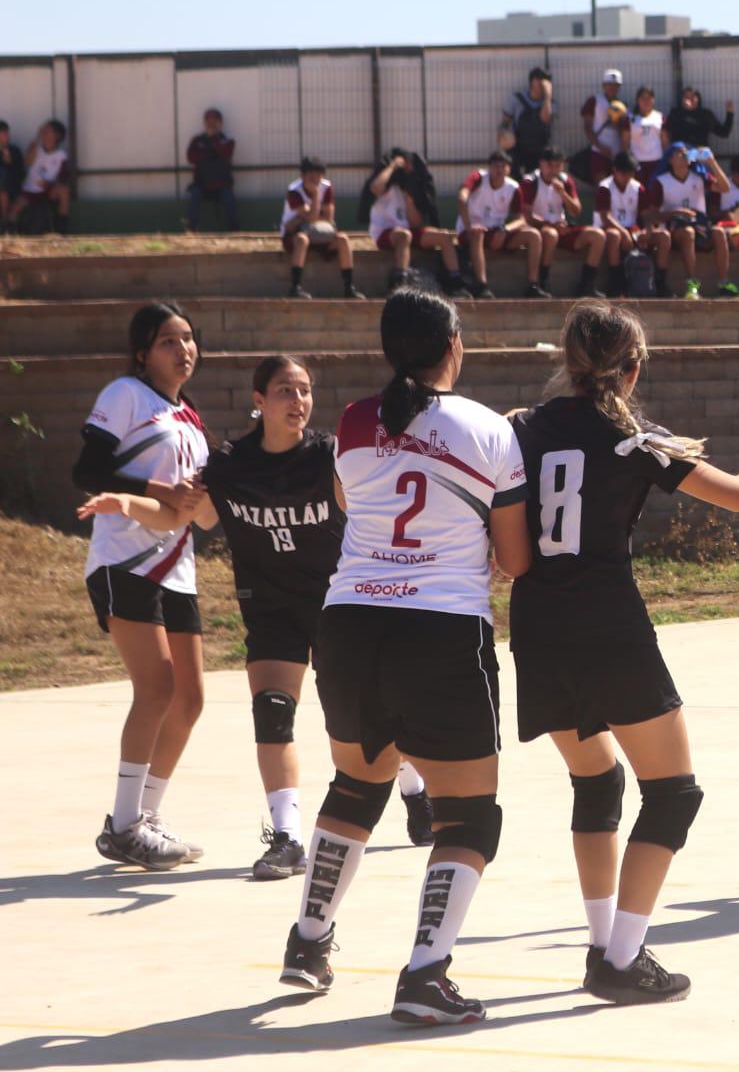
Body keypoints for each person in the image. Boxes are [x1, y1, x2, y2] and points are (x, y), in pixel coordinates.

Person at [510, 301, 739, 1004]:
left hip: (538, 625)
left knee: (597, 781)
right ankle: (620, 958)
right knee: (673, 794)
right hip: (607, 624)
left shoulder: (519, 428)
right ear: (633, 368)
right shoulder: (636, 437)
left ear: (568, 360)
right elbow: (738, 495)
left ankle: (600, 945)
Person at [276, 289, 533, 1026]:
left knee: (357, 787)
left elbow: (354, 504)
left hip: (350, 622)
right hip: (441, 627)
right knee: (469, 818)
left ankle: (308, 940)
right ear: (452, 343)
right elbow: (514, 560)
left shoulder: (354, 421)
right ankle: (425, 974)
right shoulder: (489, 429)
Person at [79, 356, 438, 878]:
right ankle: (288, 837)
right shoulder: (230, 466)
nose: (298, 400)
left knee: (372, 713)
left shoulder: (327, 457)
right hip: (270, 608)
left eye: (305, 391)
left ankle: (415, 790)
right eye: (285, 390)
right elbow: (185, 516)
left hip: (337, 600)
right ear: (259, 401)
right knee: (273, 713)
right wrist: (128, 503)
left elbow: (374, 508)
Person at [72, 302, 212, 871]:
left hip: (178, 569)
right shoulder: (125, 395)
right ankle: (123, 824)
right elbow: (87, 470)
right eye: (168, 341)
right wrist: (154, 486)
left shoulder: (193, 419)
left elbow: (194, 503)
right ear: (141, 353)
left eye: (188, 339)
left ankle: (145, 819)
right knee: (156, 688)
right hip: (124, 562)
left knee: (191, 698)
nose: (183, 349)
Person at [647, 143, 739, 301]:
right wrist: (676, 212)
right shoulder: (661, 181)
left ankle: (724, 284)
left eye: (686, 153)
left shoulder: (699, 177)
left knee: (719, 232)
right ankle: (692, 284)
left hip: (700, 224)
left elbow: (725, 188)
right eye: (679, 153)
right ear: (670, 159)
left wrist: (711, 162)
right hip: (676, 227)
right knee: (688, 233)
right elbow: (654, 214)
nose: (684, 156)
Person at [366, 152, 466, 295]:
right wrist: (393, 165)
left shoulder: (412, 189)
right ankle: (398, 282)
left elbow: (415, 223)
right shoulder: (388, 187)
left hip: (407, 233)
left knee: (444, 236)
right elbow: (375, 187)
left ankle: (455, 282)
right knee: (404, 235)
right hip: (385, 232)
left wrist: (409, 200)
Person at [521, 147, 608, 299]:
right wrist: (549, 224)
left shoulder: (565, 181)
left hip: (562, 229)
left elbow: (576, 210)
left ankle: (587, 285)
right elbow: (527, 216)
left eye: (558, 165)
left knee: (598, 235)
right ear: (542, 164)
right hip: (541, 230)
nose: (554, 170)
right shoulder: (530, 182)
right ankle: (543, 281)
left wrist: (563, 193)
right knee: (550, 234)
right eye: (550, 165)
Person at [456, 150, 540, 299]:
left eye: (503, 166)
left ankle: (533, 285)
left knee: (534, 235)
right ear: (489, 167)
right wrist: (469, 226)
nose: (499, 170)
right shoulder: (478, 178)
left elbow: (521, 219)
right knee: (478, 233)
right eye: (496, 166)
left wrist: (505, 230)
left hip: (497, 232)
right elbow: (462, 197)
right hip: (472, 230)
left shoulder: (513, 187)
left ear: (508, 168)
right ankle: (482, 286)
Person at [282, 157, 362, 301]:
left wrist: (302, 218)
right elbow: (312, 218)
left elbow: (329, 217)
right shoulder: (294, 190)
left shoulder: (327, 186)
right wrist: (316, 196)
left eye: (319, 174)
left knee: (343, 239)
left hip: (319, 233)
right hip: (294, 235)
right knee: (302, 239)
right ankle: (295, 287)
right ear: (302, 175)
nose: (315, 178)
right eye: (311, 175)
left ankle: (349, 288)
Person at [593, 152, 668, 297]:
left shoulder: (638, 188)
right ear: (615, 170)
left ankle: (660, 283)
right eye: (624, 172)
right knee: (614, 236)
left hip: (632, 230)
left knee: (664, 236)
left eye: (630, 172)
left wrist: (647, 230)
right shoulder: (605, 187)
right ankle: (616, 284)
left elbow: (646, 215)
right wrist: (623, 232)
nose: (627, 176)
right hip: (610, 230)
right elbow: (605, 217)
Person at [184, 108, 239, 232]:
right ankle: (192, 229)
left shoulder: (227, 141)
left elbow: (226, 154)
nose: (211, 125)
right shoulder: (197, 141)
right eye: (209, 122)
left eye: (215, 122)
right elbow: (191, 157)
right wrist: (207, 149)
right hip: (201, 185)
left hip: (222, 185)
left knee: (228, 196)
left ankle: (234, 230)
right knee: (194, 194)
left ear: (220, 124)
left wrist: (213, 142)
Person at [17, 119, 71, 233]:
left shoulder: (61, 156)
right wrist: (37, 138)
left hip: (47, 189)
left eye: (48, 131)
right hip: (30, 190)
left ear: (57, 135)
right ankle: (10, 233)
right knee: (15, 209)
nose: (44, 133)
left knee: (64, 191)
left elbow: (63, 177)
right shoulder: (36, 149)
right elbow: (27, 163)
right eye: (43, 130)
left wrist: (49, 185)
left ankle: (62, 230)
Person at [500, 66, 553, 180]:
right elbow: (505, 122)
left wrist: (548, 96)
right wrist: (503, 134)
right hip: (518, 148)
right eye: (538, 79)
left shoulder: (551, 104)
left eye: (544, 80)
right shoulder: (517, 99)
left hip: (540, 149)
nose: (541, 83)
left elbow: (545, 119)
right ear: (531, 81)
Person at [579, 68, 630, 183]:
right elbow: (587, 128)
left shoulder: (623, 106)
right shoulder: (594, 101)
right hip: (598, 150)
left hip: (616, 152)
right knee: (601, 186)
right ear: (603, 85)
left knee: (617, 185)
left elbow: (625, 132)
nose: (613, 88)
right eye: (609, 85)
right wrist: (600, 146)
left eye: (616, 85)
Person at [665, 87, 733, 150]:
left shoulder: (706, 115)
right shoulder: (675, 114)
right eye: (686, 97)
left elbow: (724, 133)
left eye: (692, 97)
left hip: (700, 154)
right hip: (680, 155)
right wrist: (669, 153)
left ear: (698, 99)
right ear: (682, 100)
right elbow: (665, 133)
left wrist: (729, 113)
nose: (689, 99)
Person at [628, 86, 666, 180]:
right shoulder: (630, 119)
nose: (646, 101)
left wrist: (666, 162)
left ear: (653, 100)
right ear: (637, 100)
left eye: (649, 98)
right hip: (636, 162)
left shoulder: (661, 117)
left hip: (656, 162)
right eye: (643, 98)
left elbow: (665, 142)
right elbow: (624, 142)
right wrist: (627, 162)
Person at [0, 120, 24, 224]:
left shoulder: (14, 151)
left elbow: (20, 173)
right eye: (3, 134)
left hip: (11, 186)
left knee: (3, 191)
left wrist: (9, 163)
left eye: (6, 133)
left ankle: (5, 223)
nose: (6, 136)